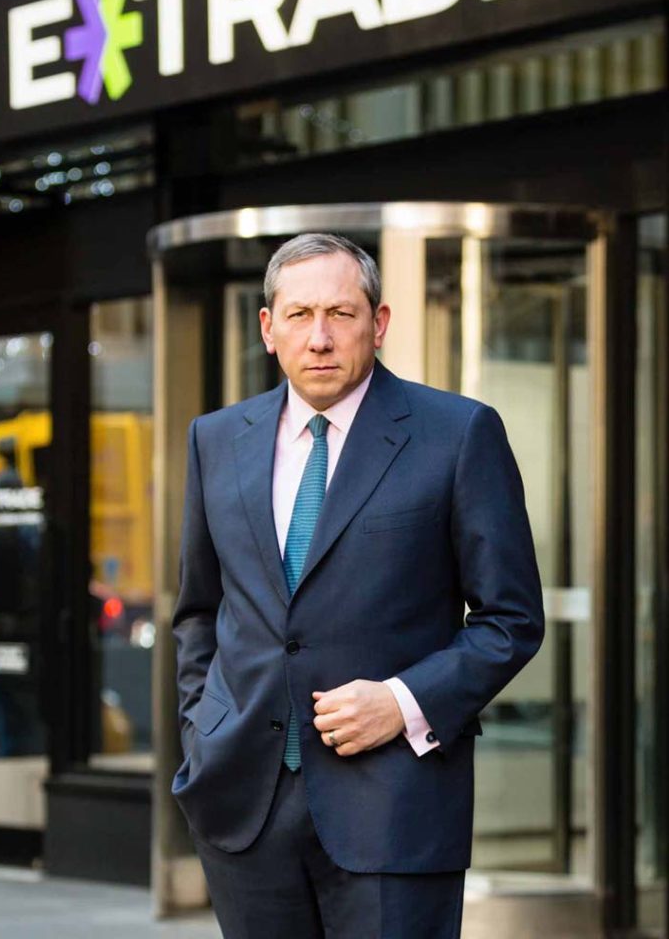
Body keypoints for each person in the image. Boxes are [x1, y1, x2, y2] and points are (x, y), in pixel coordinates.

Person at [171, 233, 544, 939]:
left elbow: (510, 620)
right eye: (299, 314)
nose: (318, 337)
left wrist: (401, 702)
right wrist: (202, 728)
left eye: (340, 315)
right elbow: (198, 611)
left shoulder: (457, 433)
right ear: (267, 327)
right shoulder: (215, 440)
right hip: (242, 800)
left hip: (392, 805)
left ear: (378, 324)